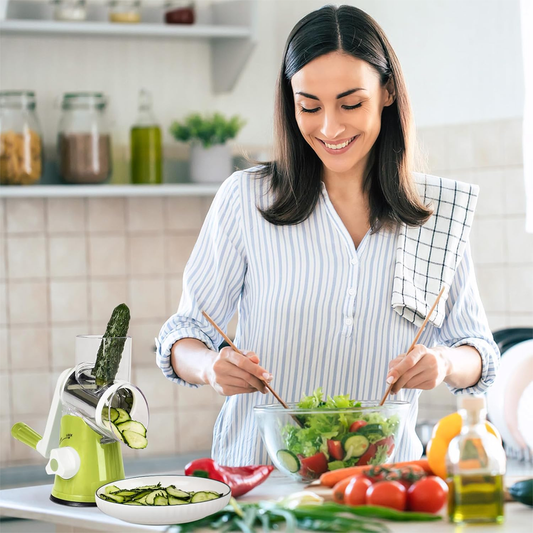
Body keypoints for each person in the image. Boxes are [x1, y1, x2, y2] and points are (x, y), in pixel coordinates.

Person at [156, 5, 499, 466]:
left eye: (351, 103)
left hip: (382, 487)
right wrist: (208, 368)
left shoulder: (435, 213)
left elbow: (478, 352)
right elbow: (183, 333)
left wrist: (443, 363)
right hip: (258, 483)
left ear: (388, 93)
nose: (330, 128)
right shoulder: (246, 198)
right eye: (309, 107)